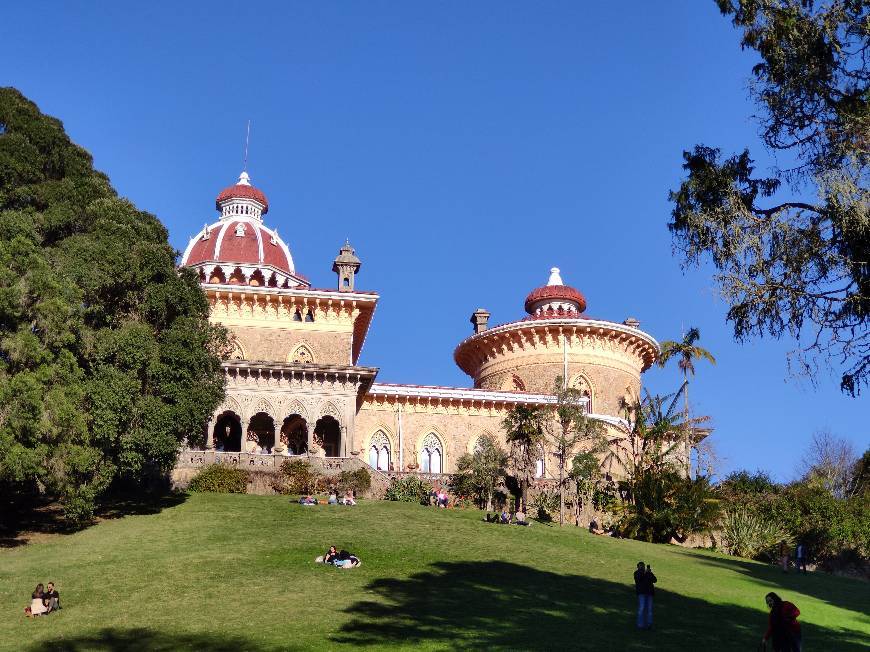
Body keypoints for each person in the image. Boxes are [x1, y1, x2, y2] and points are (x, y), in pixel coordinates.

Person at [633, 562, 656, 630]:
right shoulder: (636, 573)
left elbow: (655, 580)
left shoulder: (647, 573)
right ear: (638, 567)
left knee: (649, 609)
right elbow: (639, 579)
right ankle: (640, 625)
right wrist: (645, 573)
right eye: (641, 566)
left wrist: (650, 573)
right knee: (642, 608)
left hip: (649, 593)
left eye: (643, 566)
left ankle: (649, 624)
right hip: (641, 593)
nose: (642, 567)